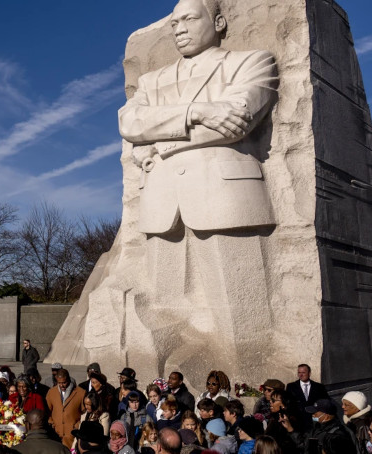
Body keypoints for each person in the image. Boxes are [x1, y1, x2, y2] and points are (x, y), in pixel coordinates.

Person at [117, 0, 283, 378]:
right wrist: (198, 112)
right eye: (174, 23)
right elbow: (130, 123)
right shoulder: (152, 81)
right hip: (162, 203)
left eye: (190, 19)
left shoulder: (251, 62)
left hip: (224, 195)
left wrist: (163, 143)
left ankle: (249, 387)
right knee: (165, 310)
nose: (179, 28)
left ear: (219, 22)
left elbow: (238, 121)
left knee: (238, 310)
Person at [281, 398, 359, 454]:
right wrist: (290, 428)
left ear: (326, 416)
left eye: (315, 413)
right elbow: (305, 445)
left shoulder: (337, 436)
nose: (312, 415)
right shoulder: (317, 427)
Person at [47, 369, 86, 448]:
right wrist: (52, 424)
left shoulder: (81, 393)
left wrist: (77, 425)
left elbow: (84, 413)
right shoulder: (51, 392)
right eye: (59, 383)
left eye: (64, 382)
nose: (61, 385)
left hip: (71, 436)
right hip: (56, 435)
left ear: (69, 379)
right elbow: (47, 411)